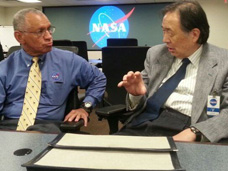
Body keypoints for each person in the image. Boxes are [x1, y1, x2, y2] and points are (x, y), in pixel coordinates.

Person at [117, 1, 228, 143]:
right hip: (144, 119)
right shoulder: (156, 54)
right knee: (107, 154)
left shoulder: (223, 62)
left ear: (194, 34)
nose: (165, 39)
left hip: (185, 127)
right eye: (164, 31)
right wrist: (136, 95)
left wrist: (196, 131)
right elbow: (139, 101)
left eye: (170, 32)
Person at [0, 8, 106, 133]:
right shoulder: (5, 68)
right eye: (40, 32)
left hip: (47, 127)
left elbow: (98, 78)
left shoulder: (69, 61)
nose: (49, 36)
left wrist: (86, 107)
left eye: (49, 29)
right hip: (9, 127)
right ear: (19, 37)